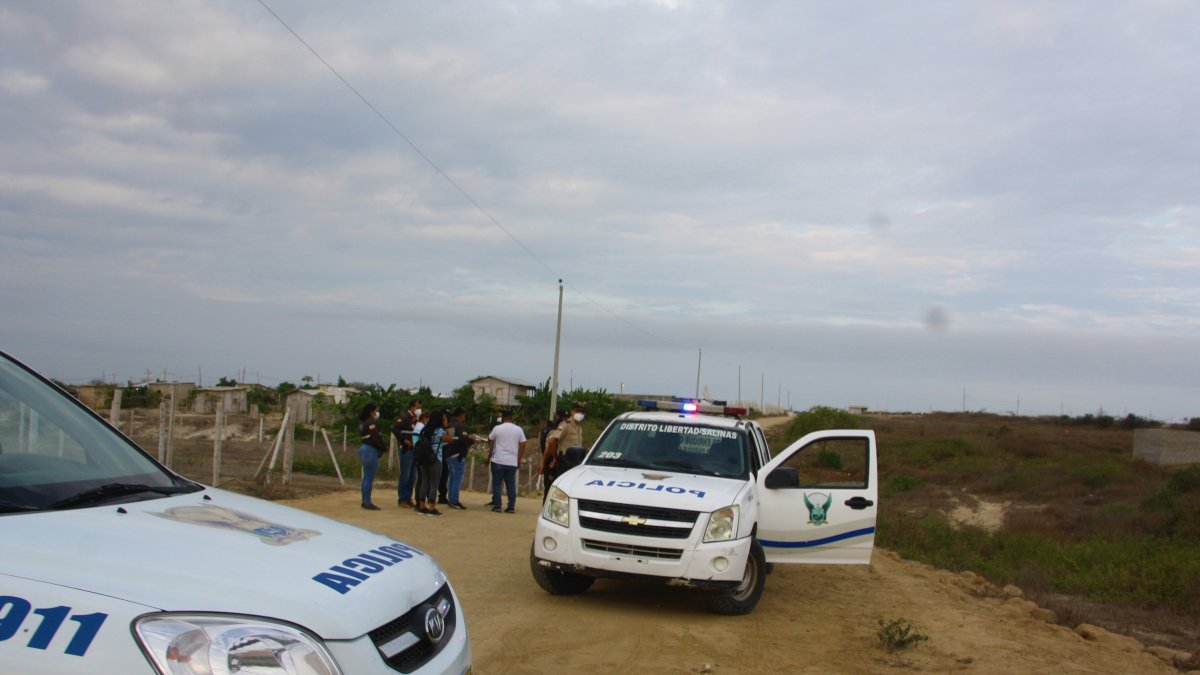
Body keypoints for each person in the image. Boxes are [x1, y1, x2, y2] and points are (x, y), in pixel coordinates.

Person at [540, 402, 586, 503]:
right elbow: (552, 442)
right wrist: (555, 457)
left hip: (576, 463)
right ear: (572, 411)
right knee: (561, 490)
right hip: (565, 461)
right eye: (578, 411)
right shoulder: (566, 425)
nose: (580, 414)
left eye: (582, 412)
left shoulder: (579, 428)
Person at [415, 410, 453, 516]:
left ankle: (422, 506)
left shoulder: (425, 429)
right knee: (434, 484)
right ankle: (432, 508)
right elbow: (450, 440)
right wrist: (446, 427)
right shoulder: (439, 430)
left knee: (424, 482)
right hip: (436, 458)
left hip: (424, 458)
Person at [487, 409, 526, 513]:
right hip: (512, 461)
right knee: (510, 485)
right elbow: (523, 444)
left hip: (498, 460)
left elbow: (490, 439)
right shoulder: (518, 429)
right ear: (512, 418)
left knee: (496, 484)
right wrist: (519, 458)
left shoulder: (497, 428)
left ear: (503, 417)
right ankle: (511, 507)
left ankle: (497, 505)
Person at [439, 408, 472, 508]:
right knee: (457, 479)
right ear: (461, 415)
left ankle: (451, 499)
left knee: (452, 478)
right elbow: (464, 439)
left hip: (449, 454)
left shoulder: (450, 425)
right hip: (458, 454)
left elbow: (450, 439)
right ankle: (454, 500)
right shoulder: (460, 426)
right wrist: (472, 441)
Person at [357, 402, 386, 510]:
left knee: (366, 478)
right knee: (369, 478)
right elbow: (375, 437)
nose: (376, 413)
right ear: (371, 411)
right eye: (375, 410)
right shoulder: (370, 422)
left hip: (364, 449)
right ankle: (367, 502)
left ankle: (365, 500)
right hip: (370, 450)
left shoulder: (363, 422)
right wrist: (384, 447)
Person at [392, 398, 421, 508]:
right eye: (418, 407)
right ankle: (402, 499)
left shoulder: (417, 420)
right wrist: (404, 440)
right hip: (406, 450)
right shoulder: (404, 417)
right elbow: (394, 428)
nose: (419, 410)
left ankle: (408, 498)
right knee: (405, 475)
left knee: (413, 476)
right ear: (412, 407)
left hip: (414, 451)